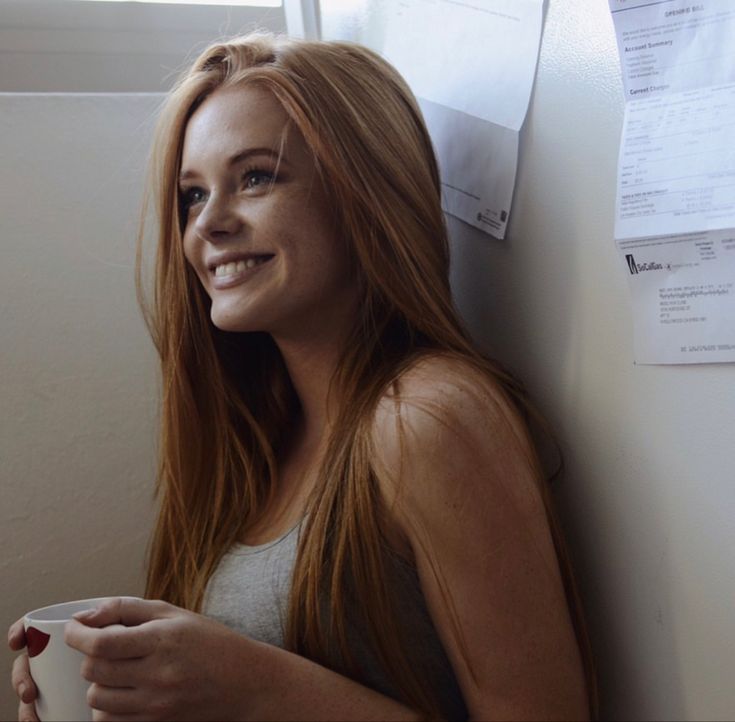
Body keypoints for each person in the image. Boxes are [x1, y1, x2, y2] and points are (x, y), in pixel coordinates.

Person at [9, 32, 595, 721]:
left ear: (363, 191)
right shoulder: (257, 440)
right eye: (193, 195)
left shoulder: (426, 418)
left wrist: (252, 682)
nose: (209, 226)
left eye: (256, 176)